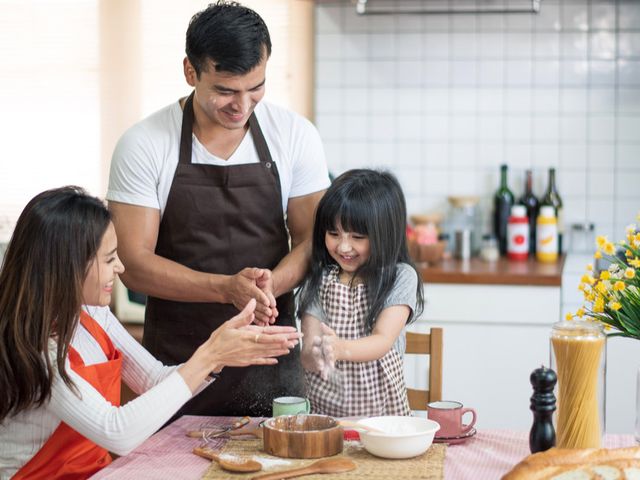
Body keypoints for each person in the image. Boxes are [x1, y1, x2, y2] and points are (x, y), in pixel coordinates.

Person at [106, 1, 330, 417]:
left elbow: (312, 241)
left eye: (255, 88)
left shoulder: (296, 135)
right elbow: (133, 263)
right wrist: (226, 288)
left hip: (269, 354)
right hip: (175, 363)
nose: (242, 105)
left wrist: (268, 289)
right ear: (191, 72)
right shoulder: (145, 143)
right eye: (225, 90)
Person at [0, 186, 301, 480]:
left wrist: (219, 357)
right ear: (69, 265)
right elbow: (117, 432)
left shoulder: (92, 313)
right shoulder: (36, 346)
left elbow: (152, 379)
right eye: (109, 258)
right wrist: (211, 355)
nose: (119, 267)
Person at [297, 169, 424, 417]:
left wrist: (340, 349)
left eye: (357, 236)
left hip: (385, 422)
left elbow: (381, 341)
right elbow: (309, 347)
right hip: (326, 421)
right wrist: (315, 354)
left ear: (385, 234)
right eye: (333, 234)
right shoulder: (320, 277)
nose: (343, 246)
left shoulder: (399, 276)